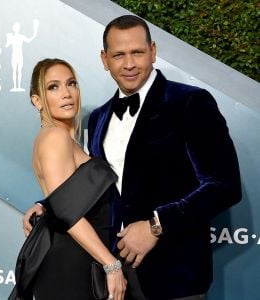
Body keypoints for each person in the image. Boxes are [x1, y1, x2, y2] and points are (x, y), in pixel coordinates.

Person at [86, 15, 242, 300]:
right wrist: (46, 206)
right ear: (104, 59)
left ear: (153, 51)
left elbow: (224, 185)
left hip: (174, 278)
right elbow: (95, 188)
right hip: (115, 281)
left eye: (138, 52)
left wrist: (156, 225)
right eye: (119, 55)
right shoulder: (98, 118)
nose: (129, 63)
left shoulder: (190, 103)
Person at [16, 58, 127, 300]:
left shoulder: (59, 139)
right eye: (53, 87)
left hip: (79, 259)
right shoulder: (56, 137)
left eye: (71, 83)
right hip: (71, 262)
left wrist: (43, 204)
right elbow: (67, 210)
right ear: (37, 100)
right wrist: (111, 264)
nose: (66, 93)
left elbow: (65, 197)